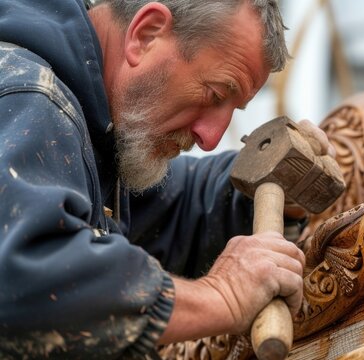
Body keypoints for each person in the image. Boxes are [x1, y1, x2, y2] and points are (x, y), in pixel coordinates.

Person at [0, 0, 329, 357]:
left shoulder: (101, 132)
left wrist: (266, 194)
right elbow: (24, 274)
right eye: (215, 93)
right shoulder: (27, 95)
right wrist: (223, 296)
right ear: (146, 34)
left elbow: (171, 209)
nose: (212, 138)